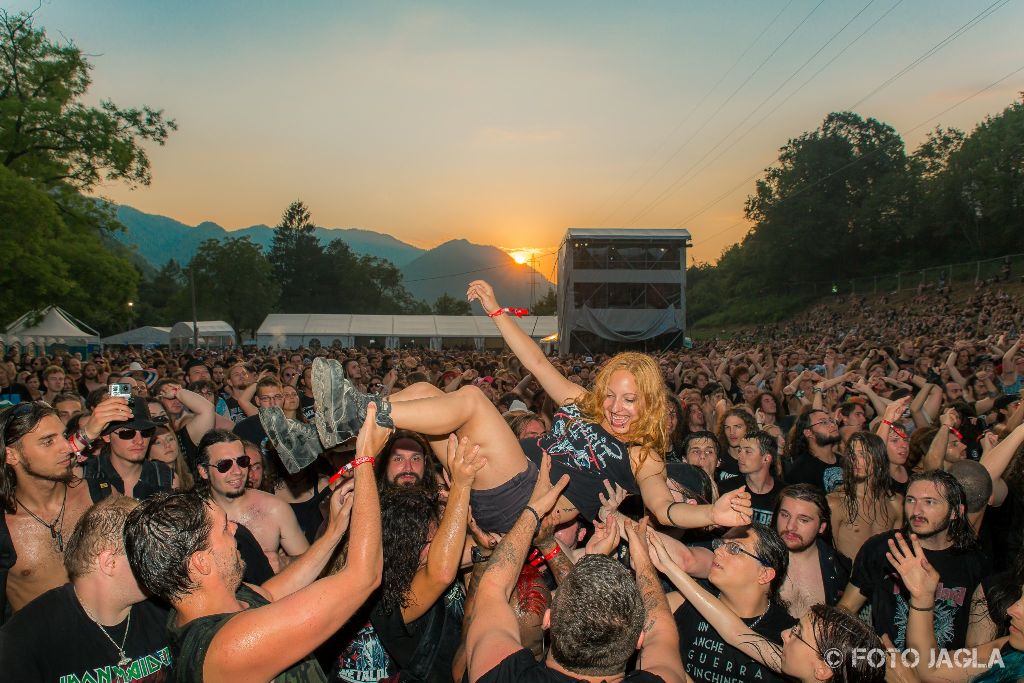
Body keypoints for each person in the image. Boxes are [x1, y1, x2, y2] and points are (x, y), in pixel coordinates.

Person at [268, 280, 753, 535]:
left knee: (474, 400)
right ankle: (310, 441)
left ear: (648, 404)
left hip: (524, 498)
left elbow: (664, 509)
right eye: (611, 394)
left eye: (630, 400)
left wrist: (713, 513)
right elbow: (538, 361)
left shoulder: (644, 454)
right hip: (499, 485)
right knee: (421, 392)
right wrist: (498, 310)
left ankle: (360, 415)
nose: (616, 407)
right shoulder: (586, 406)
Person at [123, 406, 386, 682]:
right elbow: (363, 577)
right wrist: (365, 460)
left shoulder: (222, 598)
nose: (235, 528)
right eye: (224, 529)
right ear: (200, 562)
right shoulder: (230, 647)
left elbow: (273, 594)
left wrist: (333, 530)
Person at [463, 454, 686, 683]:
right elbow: (661, 630)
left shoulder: (504, 676)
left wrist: (534, 510)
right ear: (639, 639)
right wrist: (643, 562)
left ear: (548, 620)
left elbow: (492, 587)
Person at [0, 497, 173, 681]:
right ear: (110, 562)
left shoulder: (169, 610)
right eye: (148, 551)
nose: (161, 561)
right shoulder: (23, 640)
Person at [1, 398, 130, 617]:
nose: (66, 447)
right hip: (41, 647)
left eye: (61, 436)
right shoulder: (5, 526)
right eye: (47, 441)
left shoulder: (100, 496)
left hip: (109, 642)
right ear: (11, 455)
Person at [838, 470, 991, 650]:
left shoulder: (975, 561)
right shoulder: (882, 548)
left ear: (955, 512)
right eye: (911, 500)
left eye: (929, 502)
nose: (916, 511)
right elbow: (847, 607)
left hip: (945, 671)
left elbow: (979, 641)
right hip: (887, 668)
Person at [889, 531, 1024, 682]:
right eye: (1021, 595)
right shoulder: (1012, 650)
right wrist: (923, 598)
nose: (1011, 610)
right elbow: (931, 670)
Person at [195, 429, 309, 573]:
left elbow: (311, 562)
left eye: (242, 462)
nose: (237, 471)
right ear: (204, 471)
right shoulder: (194, 519)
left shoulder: (274, 509)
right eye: (224, 465)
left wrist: (284, 562)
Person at [773, 484, 851, 618]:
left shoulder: (839, 568)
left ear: (821, 527)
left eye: (803, 520)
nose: (790, 526)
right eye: (785, 515)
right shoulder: (758, 557)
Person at [827, 431, 903, 561]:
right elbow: (828, 555)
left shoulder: (896, 503)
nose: (854, 460)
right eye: (851, 454)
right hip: (848, 580)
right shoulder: (834, 503)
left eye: (862, 454)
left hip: (883, 578)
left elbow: (897, 552)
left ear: (879, 460)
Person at [82, 399, 178, 500]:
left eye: (146, 432)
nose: (139, 441)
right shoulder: (86, 472)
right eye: (127, 433)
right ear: (107, 436)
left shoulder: (165, 477)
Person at [720, 430, 782, 525]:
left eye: (748, 451)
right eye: (740, 450)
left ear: (766, 458)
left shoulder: (783, 494)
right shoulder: (727, 489)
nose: (740, 456)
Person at [784, 407, 843, 493]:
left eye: (831, 420)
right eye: (823, 422)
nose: (832, 425)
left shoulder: (844, 461)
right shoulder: (800, 471)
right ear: (809, 432)